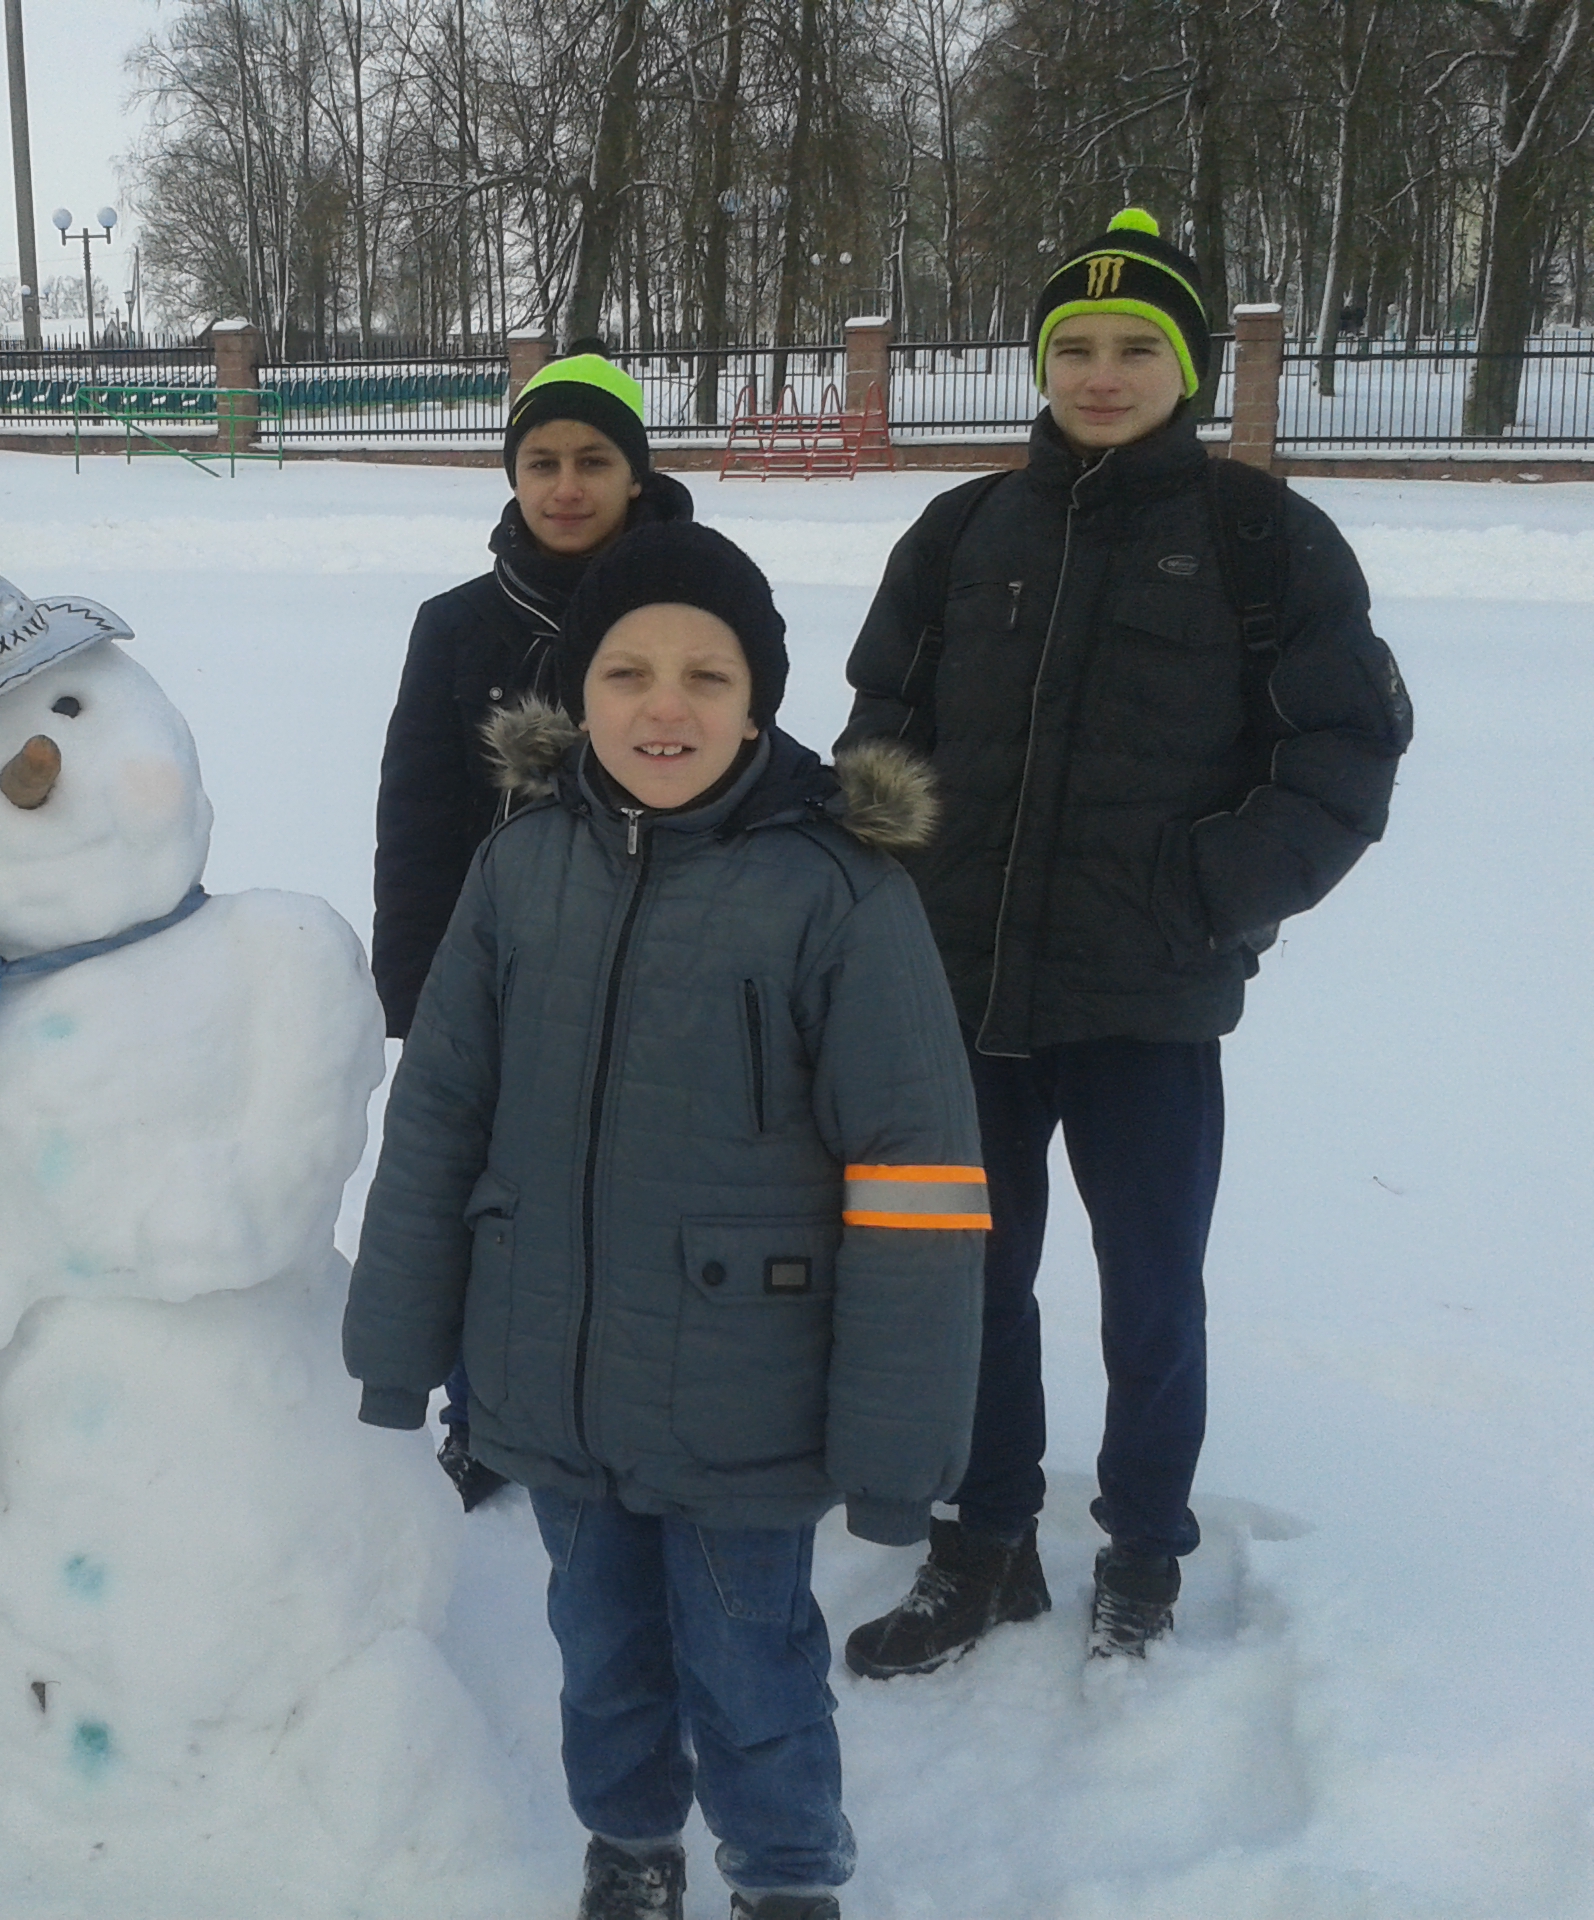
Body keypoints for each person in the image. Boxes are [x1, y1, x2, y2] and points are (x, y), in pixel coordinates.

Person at [346, 523, 987, 1920]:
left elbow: (919, 1178)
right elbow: (441, 1113)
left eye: (708, 673)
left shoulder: (837, 891)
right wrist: (397, 1347)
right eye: (626, 671)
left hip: (742, 1408)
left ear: (759, 699)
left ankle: (786, 1878)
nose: (664, 704)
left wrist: (897, 1447)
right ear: (578, 698)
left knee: (751, 1665)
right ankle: (629, 1846)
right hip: (554, 1381)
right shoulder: (522, 870)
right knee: (605, 1652)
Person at [834, 209, 1413, 1674]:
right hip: (965, 988)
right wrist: (897, 870)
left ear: (1189, 368)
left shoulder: (1261, 540)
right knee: (973, 1276)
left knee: (1152, 1288)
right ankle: (986, 1541)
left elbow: (1343, 750)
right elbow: (883, 717)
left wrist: (1209, 893)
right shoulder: (965, 531)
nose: (1102, 373)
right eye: (1076, 347)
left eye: (1136, 348)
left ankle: (1144, 1547)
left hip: (1150, 999)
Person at [370, 345, 693, 1509]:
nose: (566, 486)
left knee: (620, 1192)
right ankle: (481, 1414)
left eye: (593, 461)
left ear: (635, 475)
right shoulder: (457, 626)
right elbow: (417, 812)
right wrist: (413, 984)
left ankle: (611, 1392)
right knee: (484, 1199)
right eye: (541, 462)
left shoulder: (692, 608)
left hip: (653, 968)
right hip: (492, 973)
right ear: (511, 477)